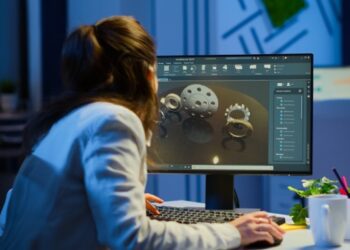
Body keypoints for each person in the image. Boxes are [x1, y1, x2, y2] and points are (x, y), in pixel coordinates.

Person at [0, 16, 284, 249]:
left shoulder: (67, 120)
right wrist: (233, 233)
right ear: (148, 74)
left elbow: (16, 207)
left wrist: (108, 200)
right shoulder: (114, 120)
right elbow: (130, 237)